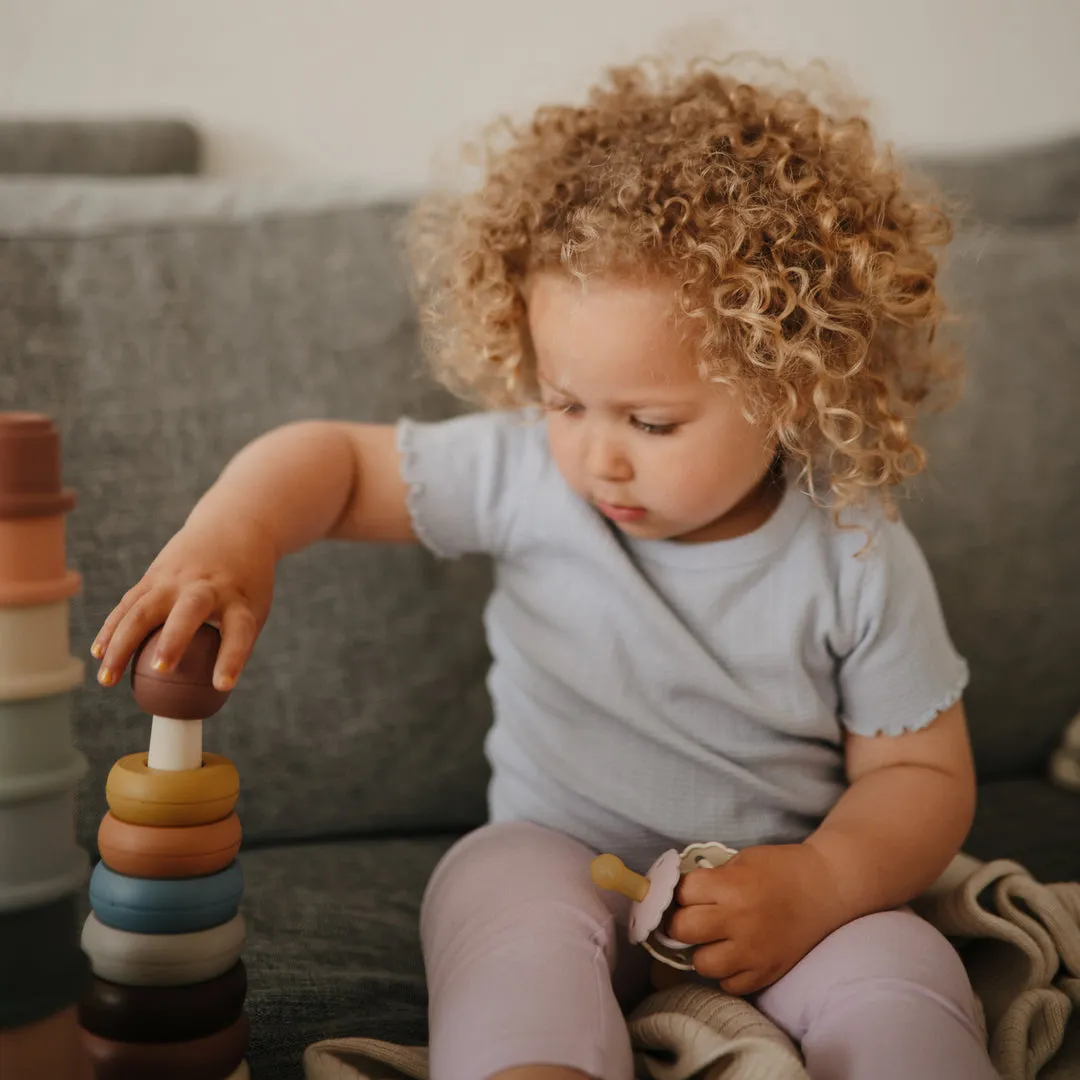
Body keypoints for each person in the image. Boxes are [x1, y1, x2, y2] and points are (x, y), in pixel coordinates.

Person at [90, 55, 998, 1080]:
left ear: (792, 382)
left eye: (651, 421)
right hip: (559, 851)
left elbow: (920, 775)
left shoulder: (856, 543)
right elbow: (336, 466)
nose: (597, 454)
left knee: (907, 971)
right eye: (566, 402)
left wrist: (824, 882)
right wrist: (234, 533)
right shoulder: (526, 473)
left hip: (785, 886)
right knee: (500, 904)